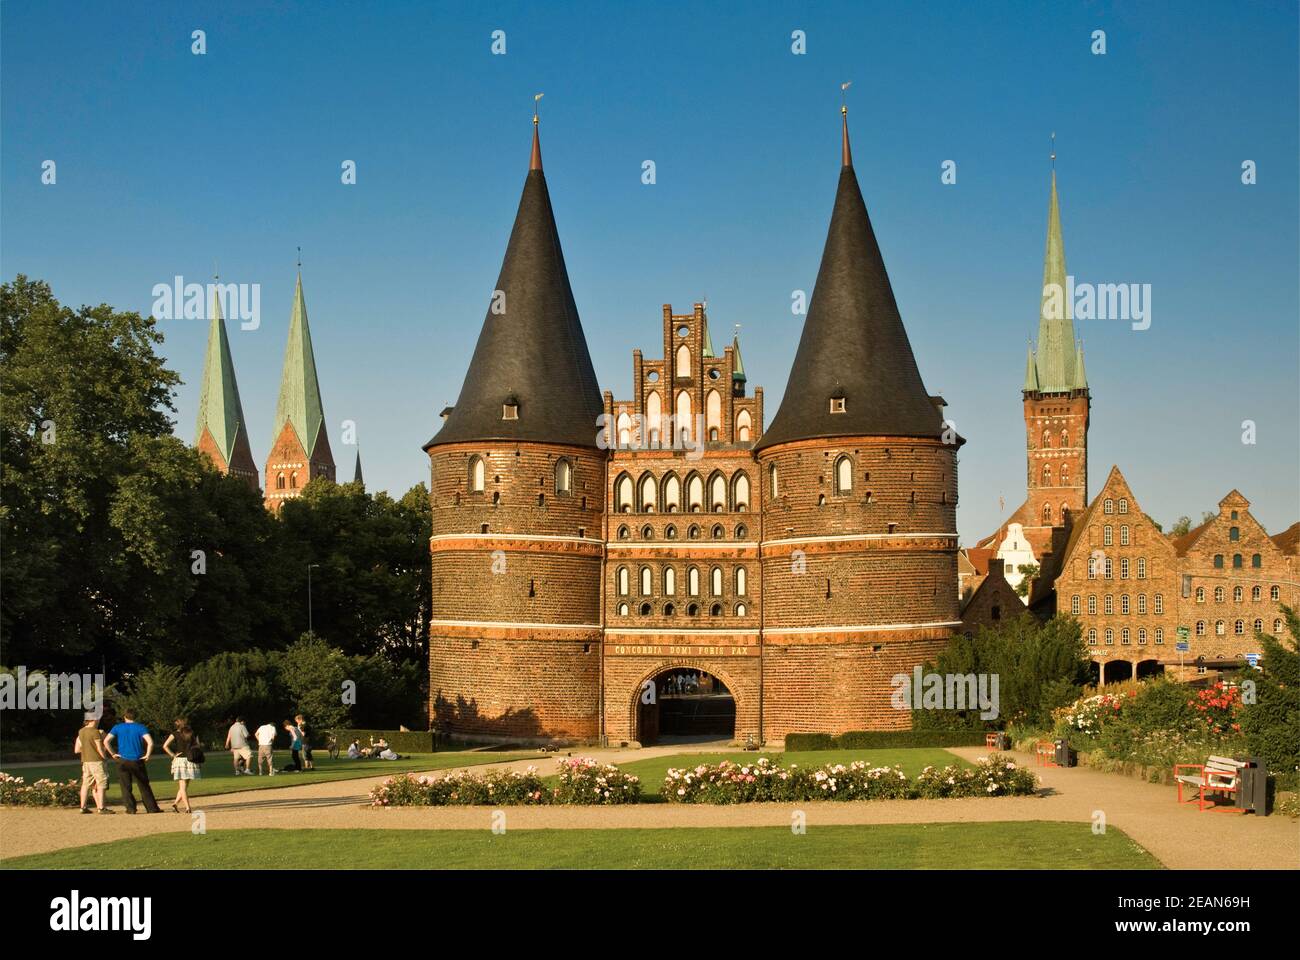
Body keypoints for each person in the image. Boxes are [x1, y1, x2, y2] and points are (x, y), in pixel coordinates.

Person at [103, 709, 162, 814]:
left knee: (125, 786)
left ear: (125, 717)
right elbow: (150, 742)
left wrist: (113, 753)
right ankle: (152, 808)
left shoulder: (118, 727)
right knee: (143, 785)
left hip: (122, 760)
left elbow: (106, 741)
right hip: (137, 759)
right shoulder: (140, 727)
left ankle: (130, 809)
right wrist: (147, 754)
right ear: (135, 717)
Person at [74, 713, 113, 815]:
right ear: (93, 720)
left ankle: (83, 807)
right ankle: (101, 807)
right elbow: (99, 748)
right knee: (101, 783)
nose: (98, 720)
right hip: (97, 761)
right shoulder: (95, 732)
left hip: (86, 761)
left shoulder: (81, 731)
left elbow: (79, 748)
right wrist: (105, 758)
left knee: (86, 784)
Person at [163, 720, 201, 813]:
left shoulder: (175, 734)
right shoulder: (191, 733)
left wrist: (173, 755)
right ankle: (187, 807)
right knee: (184, 786)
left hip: (180, 761)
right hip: (190, 760)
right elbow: (198, 746)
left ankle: (175, 804)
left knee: (183, 786)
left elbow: (165, 746)